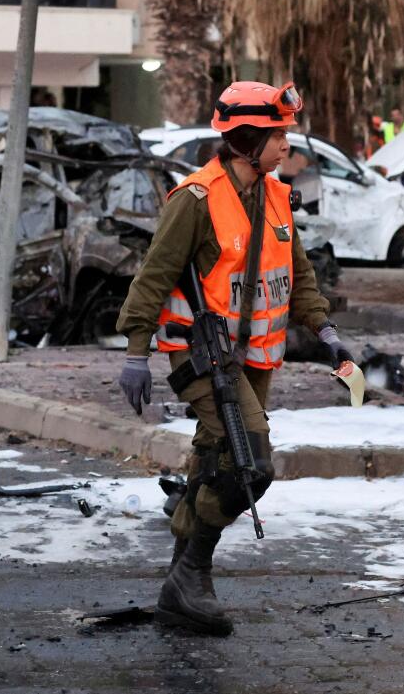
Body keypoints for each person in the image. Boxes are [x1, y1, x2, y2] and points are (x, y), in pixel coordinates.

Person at [115, 80, 353, 636]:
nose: (286, 146)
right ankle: (193, 570)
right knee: (253, 464)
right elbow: (152, 278)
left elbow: (299, 277)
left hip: (254, 358)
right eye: (279, 135)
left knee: (214, 459)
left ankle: (180, 587)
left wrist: (326, 330)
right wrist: (134, 352)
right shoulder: (195, 200)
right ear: (248, 139)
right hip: (198, 355)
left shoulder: (275, 195)